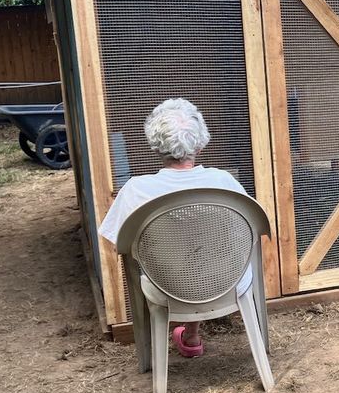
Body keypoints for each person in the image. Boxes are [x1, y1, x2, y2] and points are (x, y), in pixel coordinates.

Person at [99, 98, 252, 358]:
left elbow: (119, 245)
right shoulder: (223, 182)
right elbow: (251, 232)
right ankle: (192, 334)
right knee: (201, 256)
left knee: (176, 259)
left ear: (155, 145)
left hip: (166, 284)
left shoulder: (136, 190)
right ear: (201, 144)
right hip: (226, 281)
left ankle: (171, 343)